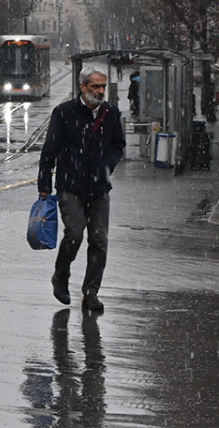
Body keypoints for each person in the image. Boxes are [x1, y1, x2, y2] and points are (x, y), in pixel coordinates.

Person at [38, 67, 126, 312]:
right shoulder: (64, 113)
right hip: (71, 185)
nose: (100, 91)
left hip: (99, 188)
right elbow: (49, 150)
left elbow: (119, 144)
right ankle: (61, 276)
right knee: (74, 234)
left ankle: (91, 291)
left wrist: (107, 165)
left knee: (99, 240)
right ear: (82, 87)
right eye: (95, 86)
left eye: (103, 87)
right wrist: (44, 184)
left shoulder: (110, 113)